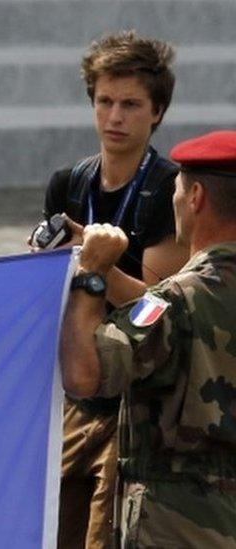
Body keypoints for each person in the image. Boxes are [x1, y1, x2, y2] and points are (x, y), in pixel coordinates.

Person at [37, 31, 189, 548]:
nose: (115, 117)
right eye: (105, 102)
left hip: (135, 397)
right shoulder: (69, 184)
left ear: (158, 112)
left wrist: (95, 265)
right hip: (77, 391)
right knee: (53, 530)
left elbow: (161, 304)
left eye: (131, 104)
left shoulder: (169, 191)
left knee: (106, 537)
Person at [59, 130, 236, 547]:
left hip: (178, 525)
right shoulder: (178, 299)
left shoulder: (178, 300)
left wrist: (90, 277)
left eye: (176, 189)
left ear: (195, 198)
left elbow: (86, 373)